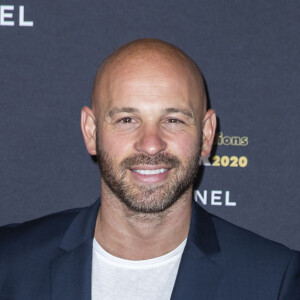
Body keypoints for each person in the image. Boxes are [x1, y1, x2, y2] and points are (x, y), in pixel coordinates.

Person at [0, 38, 299, 300]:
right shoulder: (11, 264)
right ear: (91, 132)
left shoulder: (273, 281)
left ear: (207, 135)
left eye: (173, 120)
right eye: (127, 120)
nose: (151, 144)